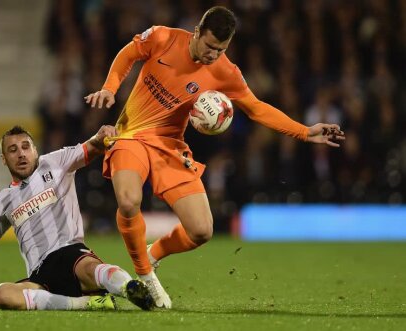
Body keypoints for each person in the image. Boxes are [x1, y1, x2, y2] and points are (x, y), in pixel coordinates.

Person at [85, 6, 345, 309]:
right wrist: (109, 88)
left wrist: (304, 132)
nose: (212, 54)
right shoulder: (163, 37)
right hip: (131, 135)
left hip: (169, 145)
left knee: (201, 231)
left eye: (220, 49)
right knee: (128, 201)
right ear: (197, 32)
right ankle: (145, 275)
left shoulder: (226, 71)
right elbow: (127, 54)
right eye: (209, 46)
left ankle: (152, 254)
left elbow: (256, 107)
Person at [0, 125, 155, 311]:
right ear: (4, 159)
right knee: (3, 294)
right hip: (40, 276)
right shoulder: (4, 199)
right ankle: (89, 304)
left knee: (94, 268)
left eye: (26, 147)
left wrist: (102, 136)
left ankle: (129, 288)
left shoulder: (55, 163)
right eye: (12, 150)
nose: (21, 154)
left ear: (35, 149)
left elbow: (94, 146)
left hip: (71, 255)